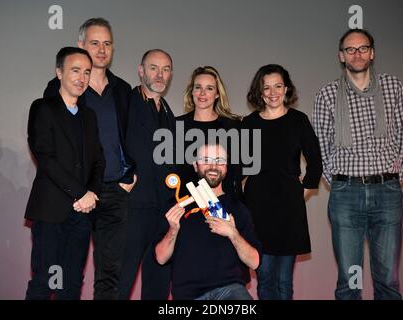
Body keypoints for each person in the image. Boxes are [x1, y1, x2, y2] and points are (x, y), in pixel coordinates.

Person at [312, 29, 403, 300]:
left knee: (388, 280)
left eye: (363, 48)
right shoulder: (327, 94)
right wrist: (341, 183)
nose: (357, 53)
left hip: (387, 192)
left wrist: (392, 177)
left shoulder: (393, 87)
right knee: (349, 281)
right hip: (346, 196)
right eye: (351, 49)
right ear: (341, 56)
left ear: (372, 53)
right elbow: (321, 145)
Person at [43, 18, 136, 299]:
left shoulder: (123, 89)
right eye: (94, 43)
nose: (101, 49)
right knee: (68, 273)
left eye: (107, 43)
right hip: (79, 195)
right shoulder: (58, 89)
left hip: (116, 193)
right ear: (80, 44)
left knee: (110, 275)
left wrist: (131, 172)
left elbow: (131, 136)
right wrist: (76, 190)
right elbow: (53, 144)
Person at [25, 47, 105, 299]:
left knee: (71, 285)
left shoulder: (89, 116)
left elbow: (99, 162)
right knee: (44, 283)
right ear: (59, 72)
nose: (82, 78)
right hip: (51, 213)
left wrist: (91, 194)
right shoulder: (42, 108)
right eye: (75, 70)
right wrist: (80, 192)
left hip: (81, 216)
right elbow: (45, 157)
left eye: (87, 72)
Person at [242, 64, 323, 300]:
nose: (272, 92)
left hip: (289, 211)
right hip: (257, 210)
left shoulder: (298, 120)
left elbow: (315, 162)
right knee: (265, 279)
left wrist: (302, 192)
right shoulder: (249, 123)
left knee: (284, 282)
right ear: (259, 91)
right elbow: (238, 167)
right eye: (266, 87)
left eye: (277, 86)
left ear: (286, 88)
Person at [155, 143, 261, 300]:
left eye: (219, 160)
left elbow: (254, 262)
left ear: (226, 167)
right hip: (188, 294)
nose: (213, 165)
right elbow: (161, 257)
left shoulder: (238, 208)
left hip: (230, 290)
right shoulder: (178, 205)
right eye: (206, 159)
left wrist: (233, 233)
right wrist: (173, 230)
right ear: (195, 165)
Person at [119, 49, 176, 300]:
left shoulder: (168, 112)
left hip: (163, 211)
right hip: (132, 209)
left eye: (165, 69)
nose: (160, 74)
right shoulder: (126, 104)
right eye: (154, 68)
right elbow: (109, 145)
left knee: (158, 285)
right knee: (120, 280)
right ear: (141, 71)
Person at [176, 66, 242, 200]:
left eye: (209, 88)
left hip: (222, 207)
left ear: (217, 93)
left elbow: (238, 173)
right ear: (192, 91)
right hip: (185, 207)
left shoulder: (232, 127)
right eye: (198, 87)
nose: (202, 93)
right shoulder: (175, 126)